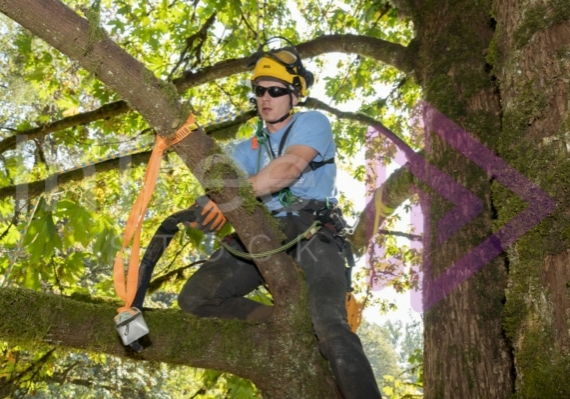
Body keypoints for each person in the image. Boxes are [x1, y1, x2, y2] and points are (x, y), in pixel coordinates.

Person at [174, 40, 382, 399]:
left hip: (312, 233)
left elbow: (286, 170)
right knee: (196, 298)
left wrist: (231, 198)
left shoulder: (312, 123)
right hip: (259, 235)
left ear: (294, 96)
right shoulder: (243, 149)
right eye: (259, 90)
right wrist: (204, 209)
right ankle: (286, 324)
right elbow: (218, 191)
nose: (266, 97)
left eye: (275, 90)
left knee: (331, 325)